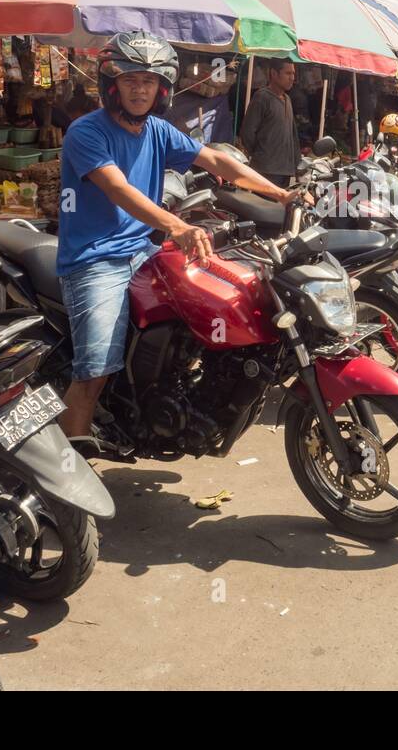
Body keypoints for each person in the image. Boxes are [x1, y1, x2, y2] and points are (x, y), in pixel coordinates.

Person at [55, 32, 299, 447]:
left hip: (144, 251)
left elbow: (219, 160)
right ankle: (67, 478)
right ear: (112, 84)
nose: (139, 89)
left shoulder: (157, 130)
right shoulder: (85, 132)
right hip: (97, 259)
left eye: (148, 82)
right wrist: (177, 226)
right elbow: (118, 189)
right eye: (131, 80)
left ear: (161, 89)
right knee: (94, 370)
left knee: (213, 301)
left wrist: (280, 193)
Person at [239, 57, 301, 188]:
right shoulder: (262, 97)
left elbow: (292, 135)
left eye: (293, 73)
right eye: (288, 73)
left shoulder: (287, 99)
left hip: (285, 171)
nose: (292, 78)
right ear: (274, 73)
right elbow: (247, 133)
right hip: (266, 171)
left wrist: (296, 164)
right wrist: (260, 155)